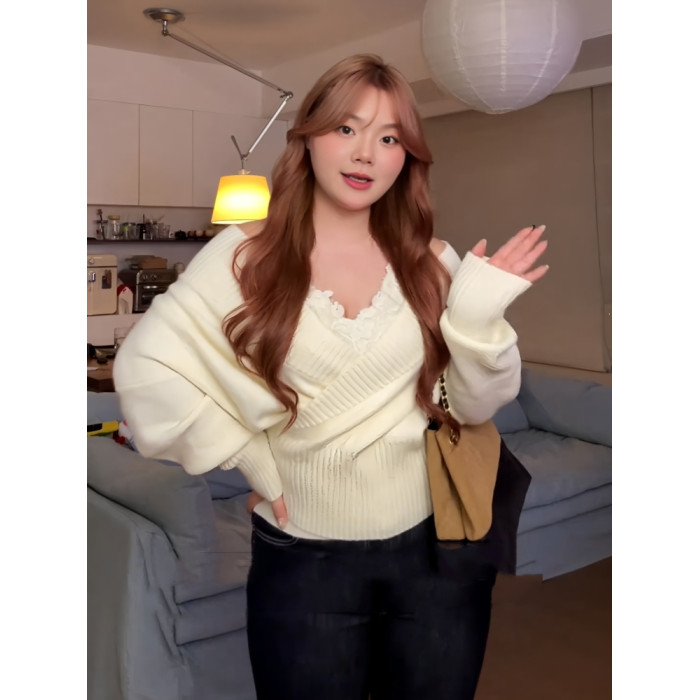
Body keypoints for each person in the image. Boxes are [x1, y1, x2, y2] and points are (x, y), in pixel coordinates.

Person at [113, 53, 548, 700]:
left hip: (438, 556)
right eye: (347, 128)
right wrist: (247, 453)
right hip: (303, 564)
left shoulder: (434, 262)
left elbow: (474, 405)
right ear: (309, 135)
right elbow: (145, 369)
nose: (365, 153)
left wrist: (479, 316)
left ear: (407, 158)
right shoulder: (245, 255)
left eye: (389, 137)